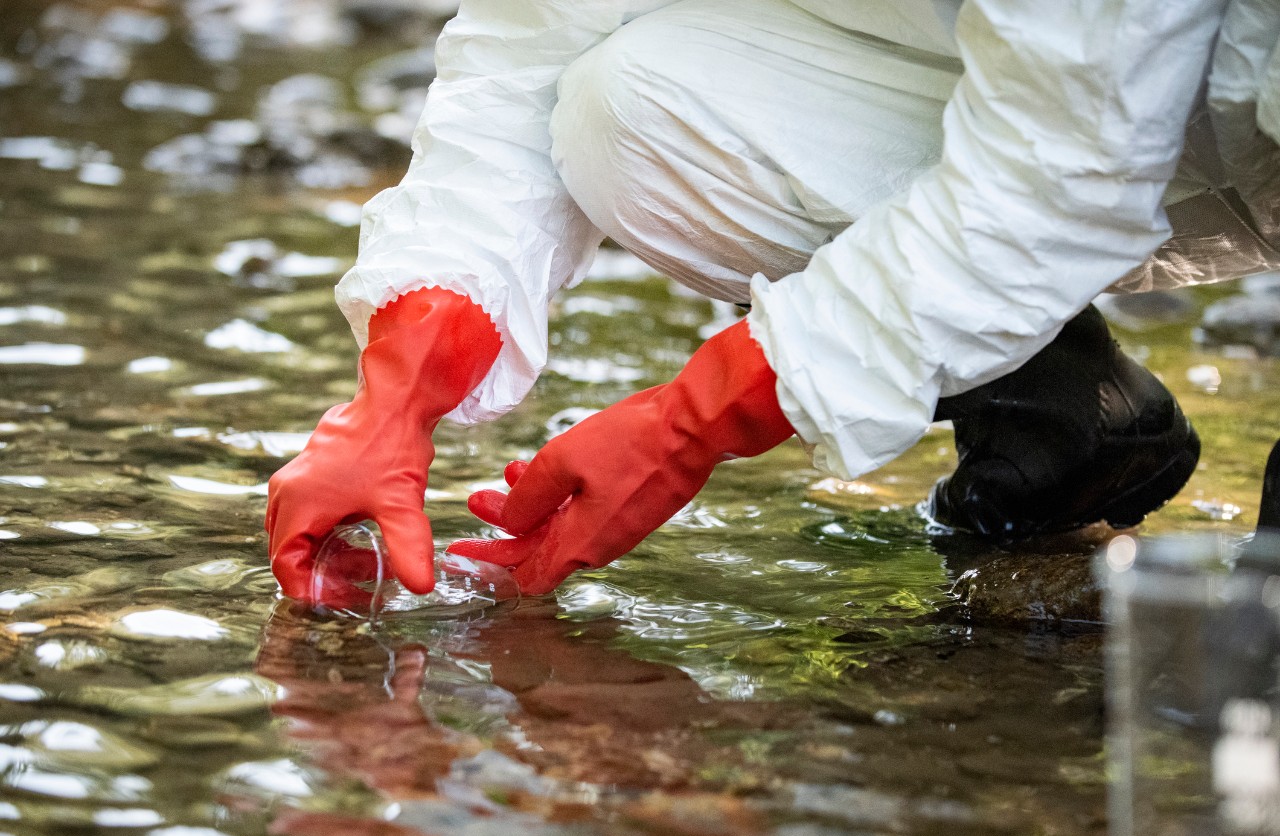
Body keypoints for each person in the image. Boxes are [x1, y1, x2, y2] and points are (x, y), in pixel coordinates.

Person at [266, 0, 1280, 601]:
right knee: (620, 106)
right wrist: (394, 393)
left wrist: (693, 418)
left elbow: (1064, 177)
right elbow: (523, 54)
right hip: (1087, 94)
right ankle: (1059, 404)